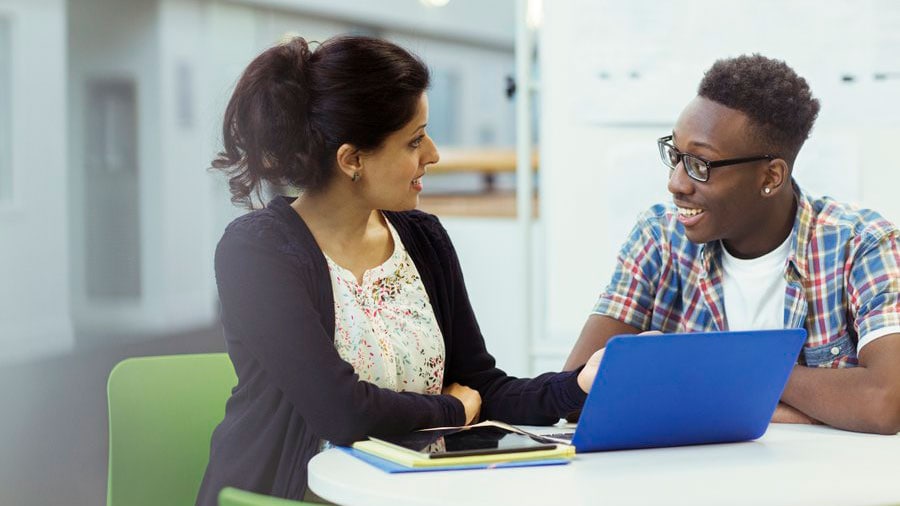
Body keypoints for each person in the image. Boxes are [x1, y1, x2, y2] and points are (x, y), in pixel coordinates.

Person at [195, 35, 602, 505]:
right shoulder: (257, 252)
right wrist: (453, 409)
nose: (432, 154)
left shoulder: (423, 239)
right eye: (414, 140)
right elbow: (340, 411)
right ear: (352, 160)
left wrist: (578, 384)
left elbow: (482, 388)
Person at [563, 54, 900, 435]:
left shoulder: (862, 244)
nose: (676, 183)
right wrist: (779, 404)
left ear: (770, 176)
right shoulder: (659, 237)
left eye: (701, 165)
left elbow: (885, 401)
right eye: (675, 156)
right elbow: (575, 392)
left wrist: (723, 373)